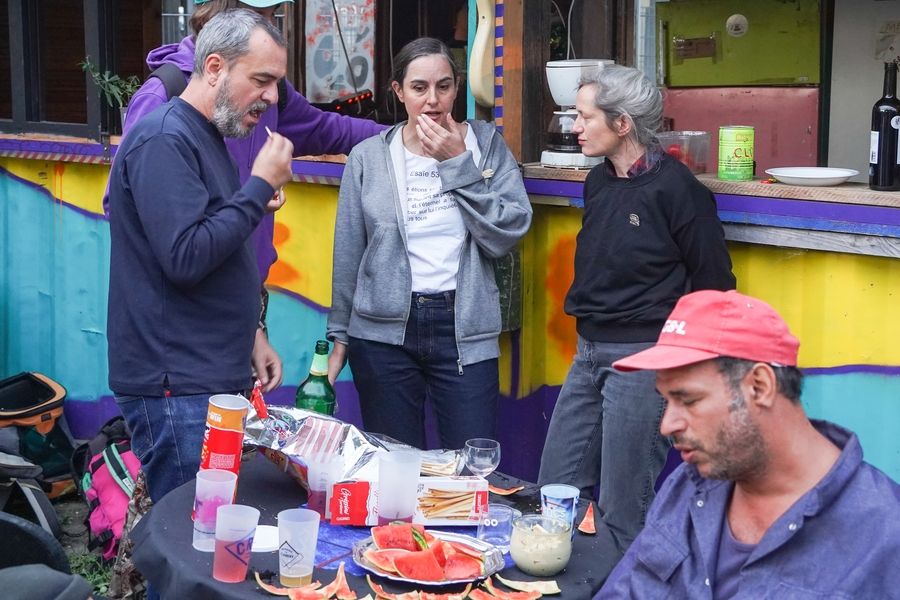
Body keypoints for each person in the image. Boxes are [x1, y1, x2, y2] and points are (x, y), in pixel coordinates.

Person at [115, 0, 386, 390]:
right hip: (179, 350)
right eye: (259, 14)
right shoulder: (164, 109)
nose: (271, 25)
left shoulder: (249, 101)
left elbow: (325, 129)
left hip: (233, 319)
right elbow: (150, 228)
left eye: (275, 14)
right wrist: (255, 191)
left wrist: (401, 136)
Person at [538, 64, 736, 553]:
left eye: (585, 117)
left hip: (645, 359)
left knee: (622, 515)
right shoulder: (598, 181)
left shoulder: (678, 190)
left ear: (622, 123)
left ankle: (624, 585)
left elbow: (715, 285)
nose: (575, 127)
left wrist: (686, 367)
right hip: (587, 354)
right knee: (553, 494)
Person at [596, 289, 900, 598]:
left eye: (688, 400)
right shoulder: (687, 485)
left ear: (759, 386)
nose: (667, 425)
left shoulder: (886, 536)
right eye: (666, 401)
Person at [107, 9, 294, 502]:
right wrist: (258, 186)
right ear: (214, 68)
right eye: (262, 80)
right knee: (191, 533)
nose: (273, 97)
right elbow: (186, 257)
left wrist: (250, 334)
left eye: (276, 83)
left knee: (211, 529)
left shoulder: (207, 135)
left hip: (205, 375)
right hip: (177, 387)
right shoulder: (164, 137)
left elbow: (213, 241)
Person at [325, 37, 532, 450]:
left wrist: (457, 163)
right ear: (399, 91)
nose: (433, 100)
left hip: (464, 327)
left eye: (444, 86)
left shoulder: (485, 146)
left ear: (457, 88)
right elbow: (349, 251)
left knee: (468, 465)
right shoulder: (369, 157)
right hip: (382, 334)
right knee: (395, 464)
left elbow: (507, 232)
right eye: (419, 87)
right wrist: (340, 338)